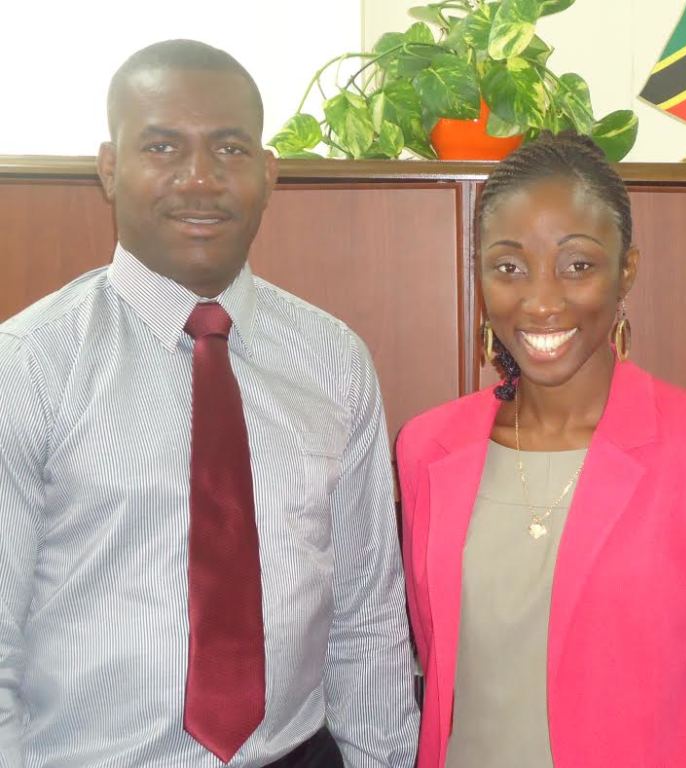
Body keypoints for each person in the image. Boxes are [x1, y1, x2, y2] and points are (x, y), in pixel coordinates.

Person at [0, 40, 419, 767]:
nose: (199, 179)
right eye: (162, 146)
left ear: (267, 173)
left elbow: (367, 618)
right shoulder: (28, 366)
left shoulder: (335, 362)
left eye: (229, 148)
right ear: (109, 168)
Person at [396, 132, 686, 768]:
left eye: (577, 264)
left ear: (626, 269)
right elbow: (438, 657)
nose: (542, 299)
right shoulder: (428, 448)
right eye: (509, 267)